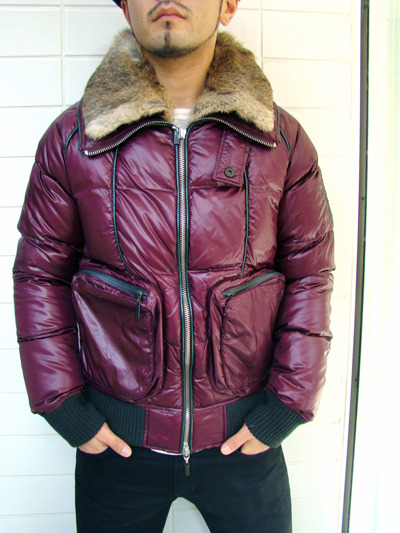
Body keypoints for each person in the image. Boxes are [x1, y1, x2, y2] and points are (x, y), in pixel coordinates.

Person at [13, 1, 334, 532]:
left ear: (228, 5)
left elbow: (310, 273)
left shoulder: (280, 141)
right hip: (116, 445)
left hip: (246, 443)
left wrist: (287, 405)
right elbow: (39, 275)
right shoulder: (73, 141)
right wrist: (63, 405)